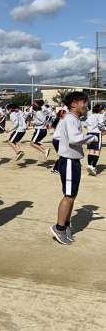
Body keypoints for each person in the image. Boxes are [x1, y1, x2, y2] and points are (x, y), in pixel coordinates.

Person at [50, 92, 98, 245]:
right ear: (74, 103)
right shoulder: (70, 119)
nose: (86, 105)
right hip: (69, 161)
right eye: (84, 102)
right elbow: (74, 139)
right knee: (69, 195)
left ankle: (65, 226)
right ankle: (59, 228)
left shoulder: (73, 119)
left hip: (73, 161)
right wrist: (92, 137)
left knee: (72, 195)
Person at [85, 104, 105, 176]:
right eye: (103, 109)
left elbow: (85, 124)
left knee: (91, 150)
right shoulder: (100, 116)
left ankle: (89, 165)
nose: (104, 110)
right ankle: (93, 167)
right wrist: (104, 129)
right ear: (100, 110)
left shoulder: (91, 115)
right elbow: (101, 125)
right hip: (97, 133)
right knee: (97, 151)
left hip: (89, 133)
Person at [51, 109, 67, 174]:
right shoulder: (63, 121)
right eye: (65, 113)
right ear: (62, 115)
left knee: (62, 155)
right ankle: (56, 169)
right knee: (63, 155)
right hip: (58, 140)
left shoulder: (58, 120)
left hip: (55, 140)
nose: (66, 115)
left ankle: (56, 168)